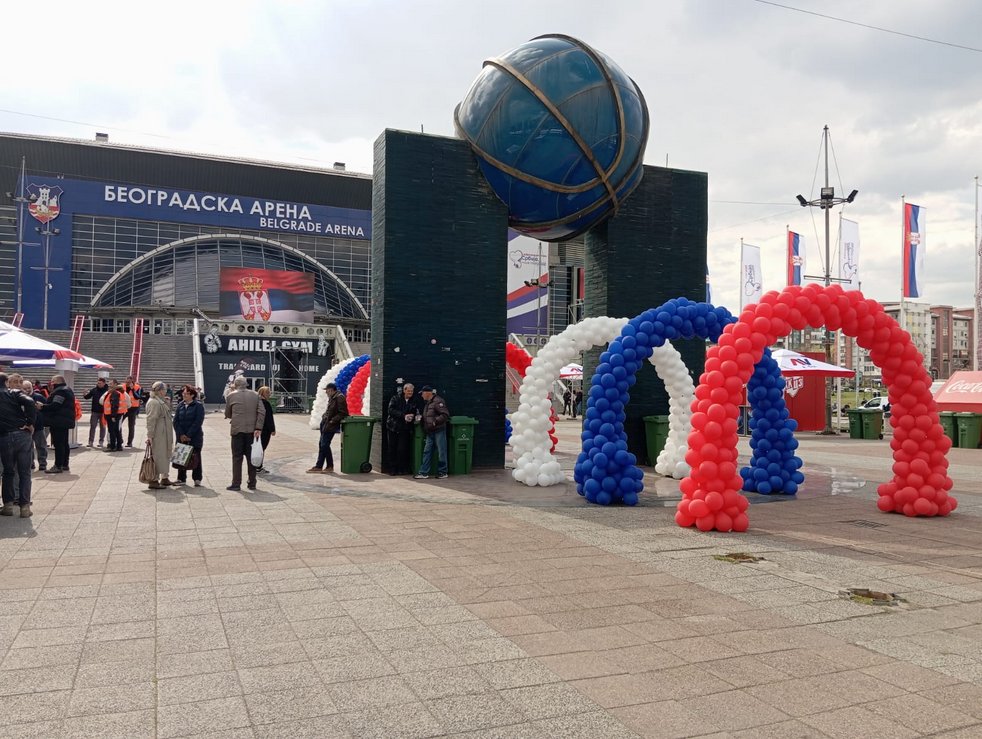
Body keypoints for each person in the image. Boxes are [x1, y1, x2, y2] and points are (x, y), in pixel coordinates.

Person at [0, 373, 38, 518]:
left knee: (8, 472)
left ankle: (8, 506)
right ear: (6, 382)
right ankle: (25, 507)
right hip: (21, 434)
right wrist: (30, 423)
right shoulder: (14, 393)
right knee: (25, 472)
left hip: (4, 436)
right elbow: (29, 401)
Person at [224, 375, 265, 491]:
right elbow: (262, 411)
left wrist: (235, 416)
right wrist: (258, 427)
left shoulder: (231, 395)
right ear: (246, 384)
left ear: (236, 385)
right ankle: (252, 482)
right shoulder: (255, 395)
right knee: (251, 457)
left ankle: (236, 483)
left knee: (237, 458)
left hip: (237, 430)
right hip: (252, 431)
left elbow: (227, 413)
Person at [38, 374, 76, 474]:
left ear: (57, 382)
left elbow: (55, 405)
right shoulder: (67, 389)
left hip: (58, 421)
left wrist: (42, 407)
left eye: (52, 381)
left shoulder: (60, 391)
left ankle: (58, 465)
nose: (51, 383)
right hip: (64, 420)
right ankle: (64, 464)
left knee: (59, 444)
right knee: (64, 443)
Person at [308, 382, 348, 473]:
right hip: (325, 424)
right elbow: (329, 411)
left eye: (327, 390)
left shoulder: (339, 398)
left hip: (331, 426)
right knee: (322, 445)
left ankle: (329, 466)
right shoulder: (332, 397)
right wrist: (324, 417)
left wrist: (332, 421)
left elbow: (343, 413)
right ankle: (319, 466)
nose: (326, 393)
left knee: (324, 445)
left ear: (331, 390)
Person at [414, 385, 449, 480]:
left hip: (439, 431)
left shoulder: (438, 401)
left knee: (441, 451)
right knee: (427, 451)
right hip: (430, 432)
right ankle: (423, 472)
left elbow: (445, 414)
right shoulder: (428, 403)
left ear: (427, 393)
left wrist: (435, 421)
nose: (422, 395)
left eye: (422, 393)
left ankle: (443, 472)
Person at [144, 381, 174, 490]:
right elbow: (151, 420)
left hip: (165, 433)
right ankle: (154, 479)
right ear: (160, 391)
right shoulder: (154, 402)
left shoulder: (160, 401)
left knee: (165, 455)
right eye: (164, 389)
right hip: (159, 434)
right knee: (157, 455)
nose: (166, 391)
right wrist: (150, 436)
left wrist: (167, 403)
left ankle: (164, 477)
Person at [173, 385, 205, 487]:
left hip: (194, 437)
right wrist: (181, 434)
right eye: (183, 393)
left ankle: (197, 478)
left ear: (192, 395)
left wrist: (188, 435)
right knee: (181, 457)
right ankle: (181, 478)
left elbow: (198, 421)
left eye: (186, 393)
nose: (184, 395)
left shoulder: (198, 406)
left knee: (196, 457)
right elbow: (176, 421)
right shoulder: (180, 405)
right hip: (181, 436)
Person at [385, 383, 420, 475]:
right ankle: (392, 469)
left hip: (405, 428)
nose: (410, 393)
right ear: (404, 390)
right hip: (393, 426)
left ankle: (402, 468)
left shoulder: (414, 400)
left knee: (402, 449)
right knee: (392, 448)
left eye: (411, 391)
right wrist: (403, 415)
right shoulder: (395, 398)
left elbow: (416, 410)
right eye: (408, 391)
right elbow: (390, 410)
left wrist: (413, 416)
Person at [23, 380, 48, 471]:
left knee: (41, 446)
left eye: (29, 388)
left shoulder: (39, 397)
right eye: (25, 388)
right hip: (26, 426)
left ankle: (42, 463)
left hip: (38, 426)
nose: (27, 390)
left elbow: (46, 407)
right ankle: (30, 463)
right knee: (28, 447)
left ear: (32, 387)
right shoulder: (20, 398)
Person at [102, 379, 130, 452]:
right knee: (116, 430)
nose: (109, 385)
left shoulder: (114, 393)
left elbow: (115, 405)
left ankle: (113, 446)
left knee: (112, 431)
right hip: (115, 414)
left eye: (111, 384)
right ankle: (118, 446)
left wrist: (113, 416)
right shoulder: (116, 392)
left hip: (113, 414)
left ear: (115, 384)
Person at [83, 377, 108, 447]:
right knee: (92, 426)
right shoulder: (94, 390)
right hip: (94, 412)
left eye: (100, 383)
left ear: (104, 383)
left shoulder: (107, 391)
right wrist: (84, 393)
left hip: (103, 412)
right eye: (98, 383)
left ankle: (101, 441)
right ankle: (90, 442)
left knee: (103, 427)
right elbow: (87, 397)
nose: (99, 384)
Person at [256, 386, 276, 473]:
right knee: (262, 448)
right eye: (268, 392)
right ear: (263, 393)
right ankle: (258, 466)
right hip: (264, 429)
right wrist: (272, 429)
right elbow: (269, 418)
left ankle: (256, 465)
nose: (269, 394)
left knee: (257, 447)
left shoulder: (256, 402)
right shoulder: (266, 404)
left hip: (256, 428)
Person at [122, 376, 142, 447]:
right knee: (119, 424)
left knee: (131, 426)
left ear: (132, 381)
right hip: (124, 408)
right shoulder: (122, 386)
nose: (127, 383)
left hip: (133, 408)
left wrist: (132, 389)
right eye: (127, 382)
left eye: (129, 382)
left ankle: (129, 442)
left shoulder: (137, 387)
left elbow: (138, 397)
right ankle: (120, 440)